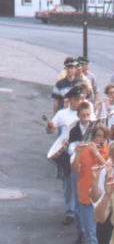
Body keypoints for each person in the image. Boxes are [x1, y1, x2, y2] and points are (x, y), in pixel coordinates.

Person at [71, 124, 109, 244]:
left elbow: (108, 167)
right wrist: (78, 154)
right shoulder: (85, 149)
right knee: (90, 233)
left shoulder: (108, 150)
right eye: (96, 136)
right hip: (86, 196)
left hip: (103, 198)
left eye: (102, 137)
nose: (98, 139)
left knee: (104, 233)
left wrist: (96, 153)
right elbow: (74, 169)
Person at [45, 85, 83, 225]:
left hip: (82, 150)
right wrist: (49, 126)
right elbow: (50, 129)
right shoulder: (62, 114)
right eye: (76, 99)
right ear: (70, 100)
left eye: (81, 98)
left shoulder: (87, 112)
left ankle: (81, 209)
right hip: (66, 151)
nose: (79, 101)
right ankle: (70, 211)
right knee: (68, 182)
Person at [67, 101, 94, 244]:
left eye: (88, 115)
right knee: (79, 202)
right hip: (78, 167)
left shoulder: (94, 128)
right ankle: (81, 232)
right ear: (78, 116)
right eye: (83, 116)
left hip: (90, 167)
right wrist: (78, 148)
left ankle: (91, 230)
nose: (86, 118)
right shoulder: (75, 131)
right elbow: (71, 149)